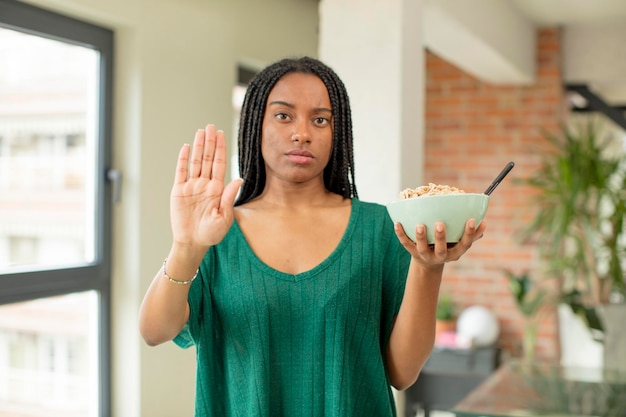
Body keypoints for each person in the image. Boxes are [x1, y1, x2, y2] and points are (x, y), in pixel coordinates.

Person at [139, 56, 486, 417]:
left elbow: (403, 372)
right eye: (283, 115)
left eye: (320, 120)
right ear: (256, 125)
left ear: (337, 134)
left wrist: (429, 268)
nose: (302, 133)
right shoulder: (217, 231)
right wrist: (187, 246)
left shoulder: (379, 227)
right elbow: (154, 331)